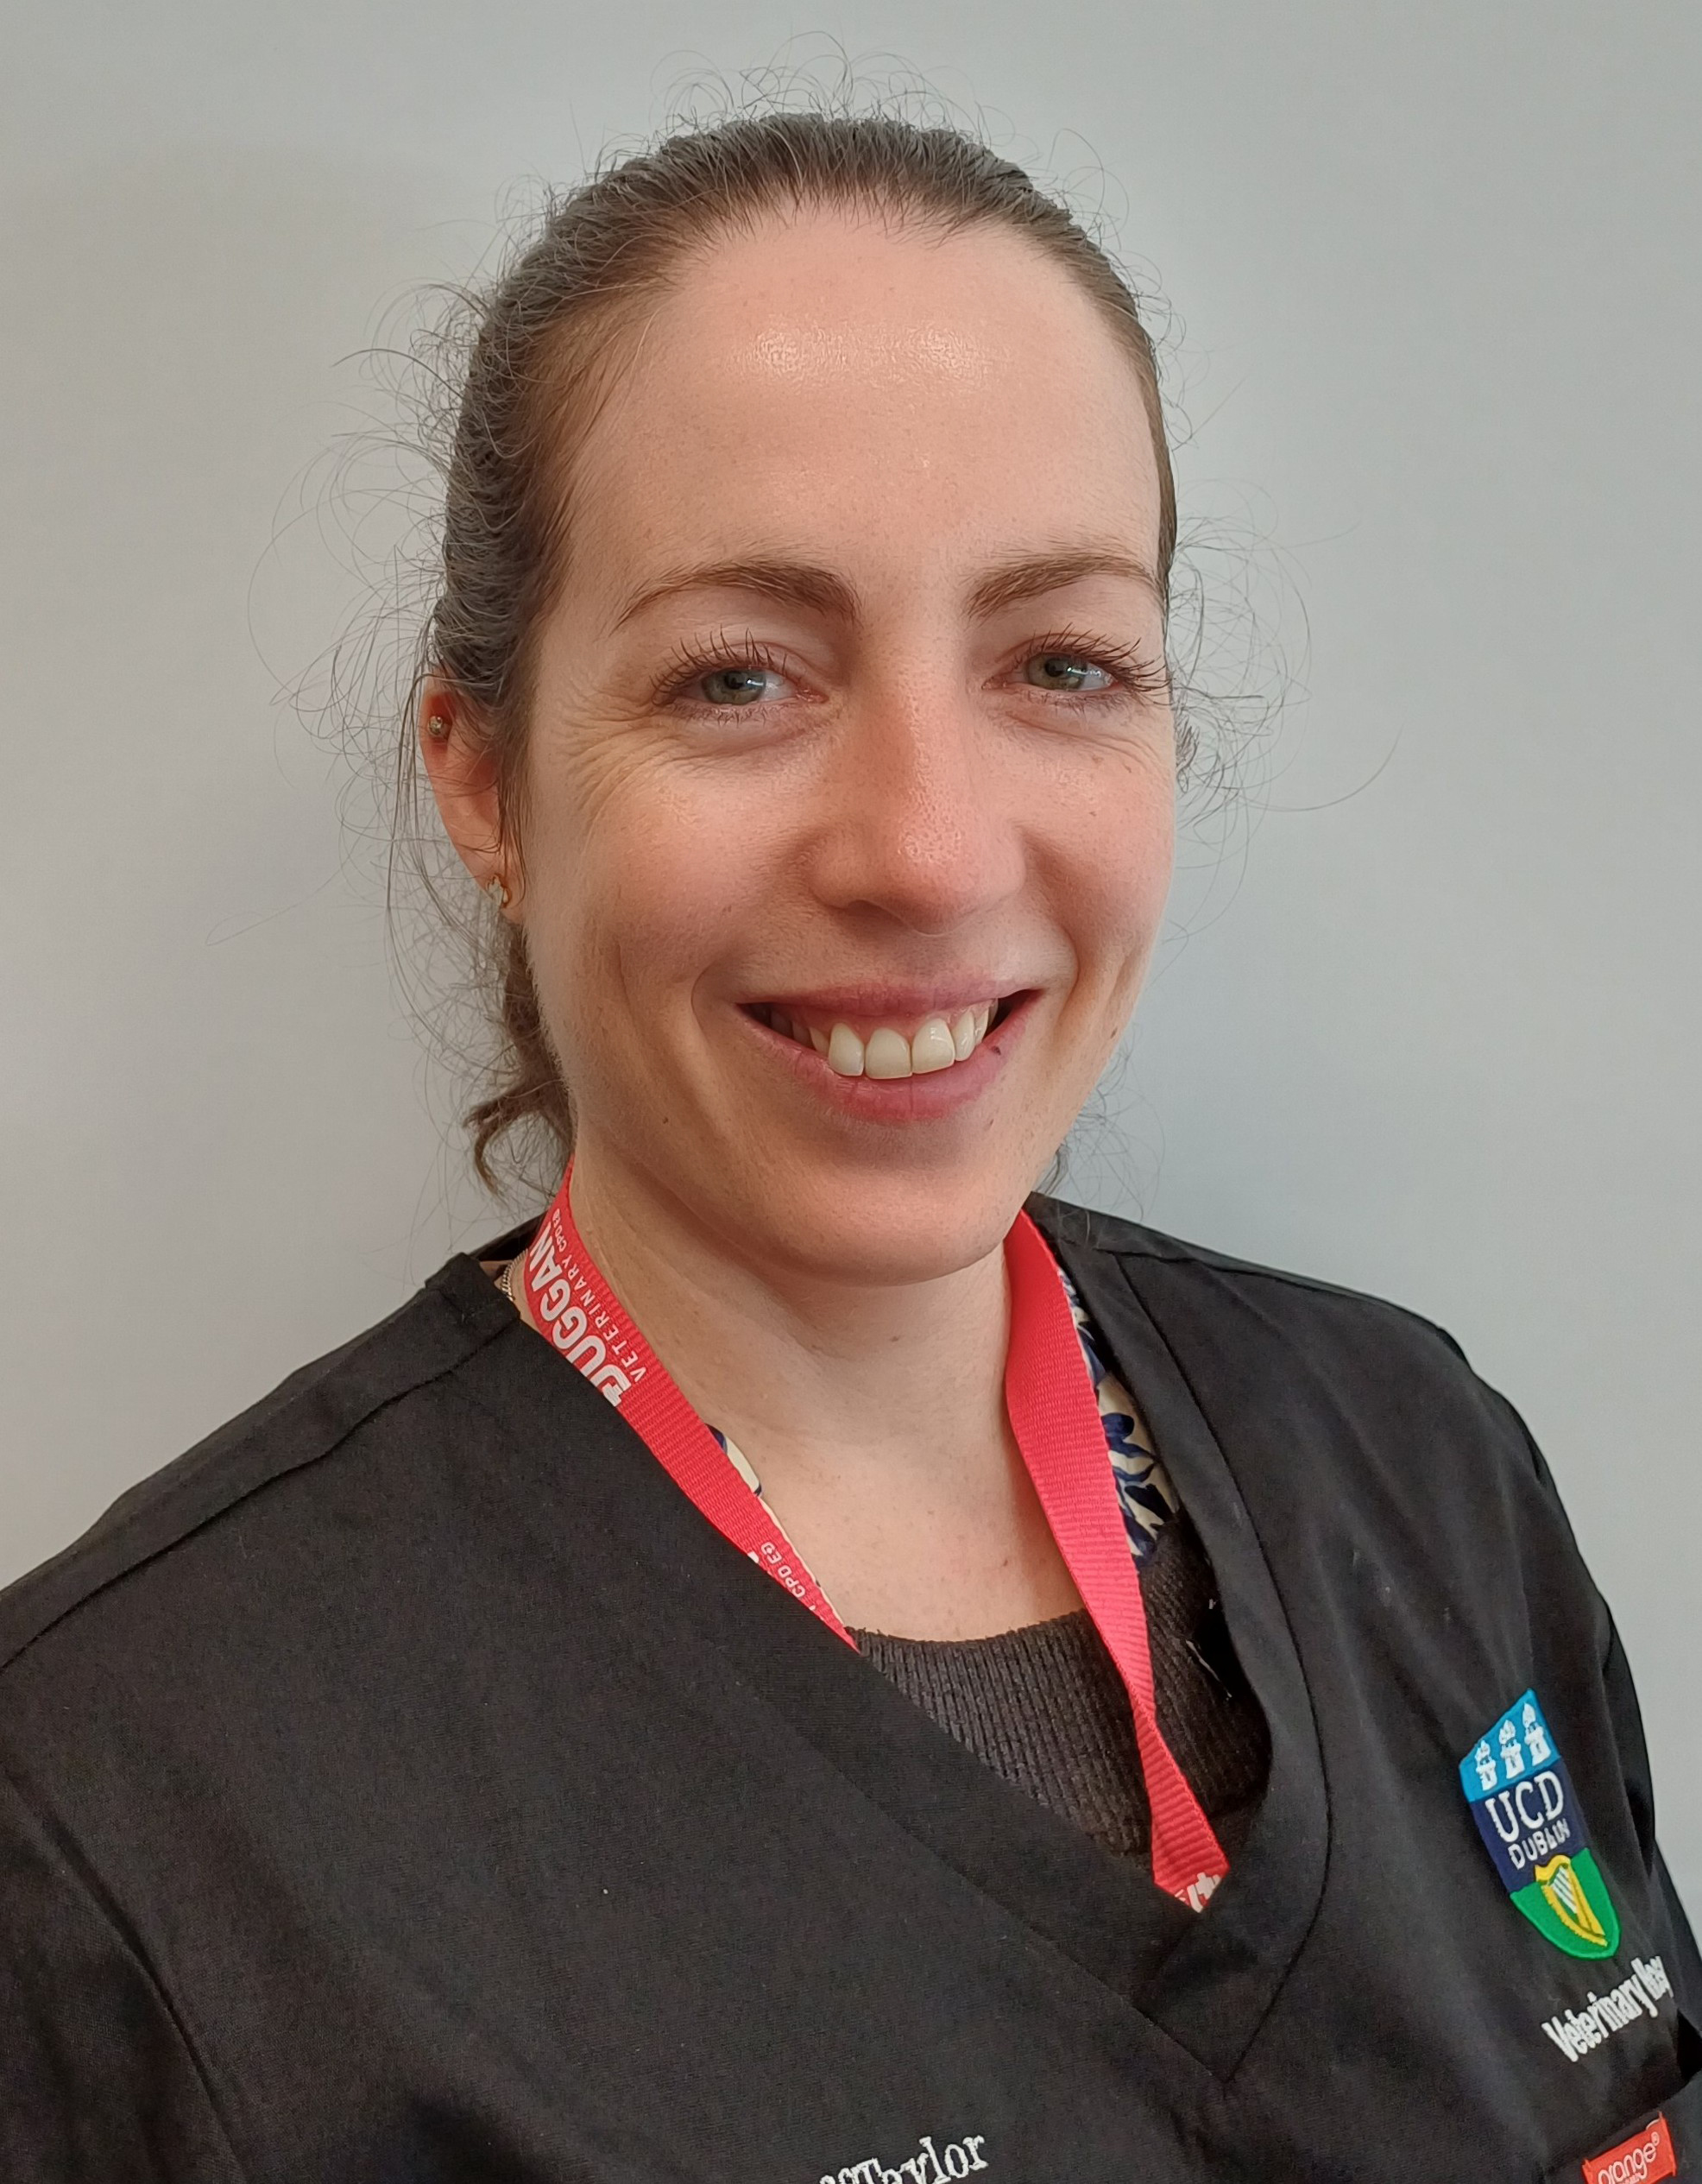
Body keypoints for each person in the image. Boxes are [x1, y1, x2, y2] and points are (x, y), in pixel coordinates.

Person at [1, 105, 1696, 2184]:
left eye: (1058, 661)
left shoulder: (1413, 1458)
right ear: (484, 778)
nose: (924, 845)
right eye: (738, 676)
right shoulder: (126, 1815)